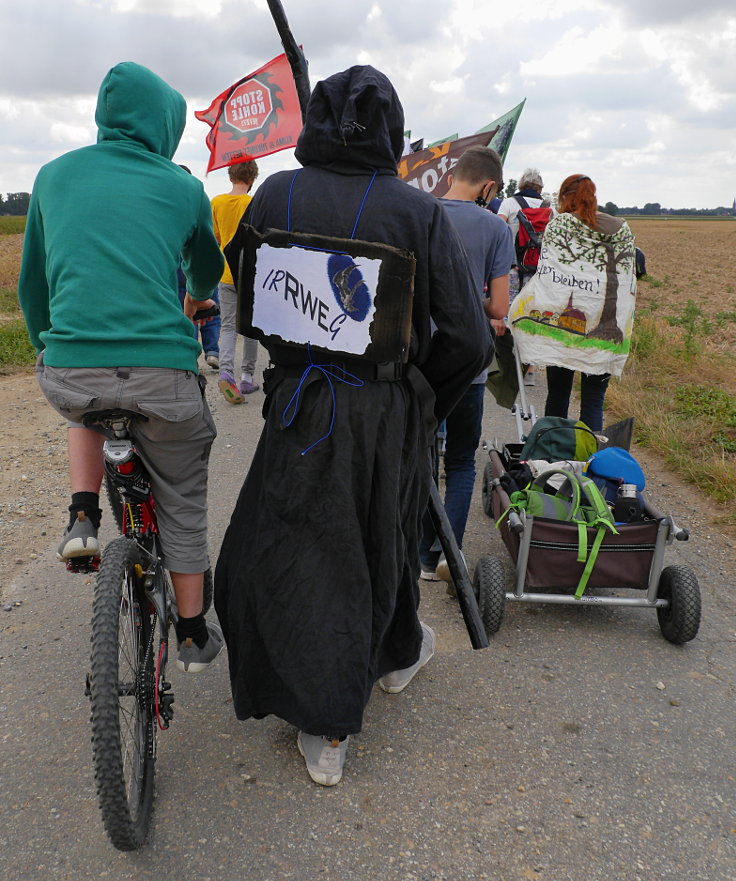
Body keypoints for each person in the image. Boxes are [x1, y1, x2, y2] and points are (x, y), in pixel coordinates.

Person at [215, 65, 493, 787]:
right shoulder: (414, 210)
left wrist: (412, 392)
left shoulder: (276, 193)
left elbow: (243, 281)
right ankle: (327, 718)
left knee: (360, 537)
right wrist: (425, 392)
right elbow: (468, 335)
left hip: (306, 401)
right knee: (338, 552)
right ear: (391, 127)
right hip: (364, 408)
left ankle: (398, 649)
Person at [18, 62, 226, 672]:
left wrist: (54, 349)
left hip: (71, 368)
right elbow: (208, 269)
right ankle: (191, 634)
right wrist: (194, 299)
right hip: (162, 378)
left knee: (82, 403)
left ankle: (83, 512)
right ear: (164, 123)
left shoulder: (52, 177)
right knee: (183, 501)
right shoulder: (182, 186)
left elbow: (34, 285)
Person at [419, 146, 514, 583]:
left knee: (418, 453)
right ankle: (446, 552)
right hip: (468, 366)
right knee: (459, 461)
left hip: (418, 360)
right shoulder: (495, 227)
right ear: (489, 186)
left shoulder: (419, 213)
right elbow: (498, 307)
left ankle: (413, 551)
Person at [509, 174, 637, 432]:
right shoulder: (620, 228)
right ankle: (590, 461)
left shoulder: (560, 226)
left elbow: (548, 276)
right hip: (603, 324)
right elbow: (628, 281)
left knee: (557, 395)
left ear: (566, 197)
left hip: (563, 329)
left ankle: (553, 455)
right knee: (593, 400)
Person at [211, 160, 261, 403]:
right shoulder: (254, 203)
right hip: (250, 274)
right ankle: (247, 377)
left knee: (228, 326)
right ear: (253, 178)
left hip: (225, 273)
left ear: (230, 176)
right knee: (250, 326)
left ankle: (226, 372)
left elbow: (216, 238)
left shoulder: (217, 203)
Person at [498, 168, 551, 386]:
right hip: (538, 272)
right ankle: (529, 368)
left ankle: (506, 367)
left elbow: (497, 226)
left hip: (511, 268)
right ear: (540, 187)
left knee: (506, 312)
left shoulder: (509, 203)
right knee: (532, 314)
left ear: (521, 184)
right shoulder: (549, 208)